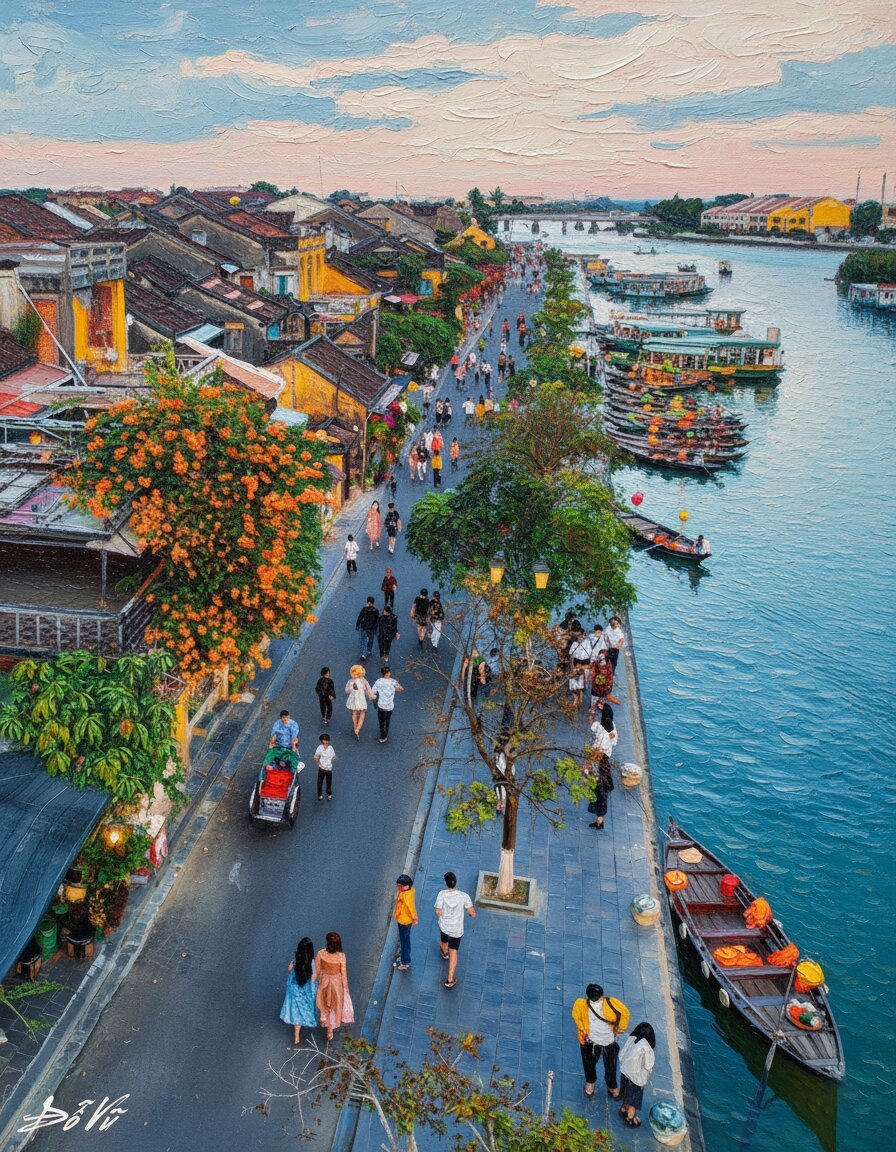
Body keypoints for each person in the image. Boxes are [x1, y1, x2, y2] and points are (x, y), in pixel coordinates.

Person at [571, 983, 628, 1098]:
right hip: (598, 1042)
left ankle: (591, 1083)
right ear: (602, 995)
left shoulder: (581, 1004)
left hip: (599, 1042)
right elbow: (625, 1013)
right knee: (610, 1066)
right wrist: (621, 1027)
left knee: (590, 1064)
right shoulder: (611, 1002)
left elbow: (576, 1018)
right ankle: (611, 1086)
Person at [435, 871, 476, 989]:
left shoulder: (441, 894)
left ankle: (444, 952)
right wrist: (469, 914)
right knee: (454, 951)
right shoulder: (464, 896)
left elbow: (438, 912)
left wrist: (444, 913)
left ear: (446, 883)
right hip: (456, 930)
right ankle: (450, 978)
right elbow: (472, 913)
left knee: (443, 939)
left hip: (444, 925)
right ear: (455, 882)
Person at [314, 932, 354, 1042]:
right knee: (333, 1006)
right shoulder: (341, 957)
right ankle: (330, 1030)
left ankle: (324, 1020)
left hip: (325, 982)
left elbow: (316, 972)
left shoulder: (321, 954)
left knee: (325, 1003)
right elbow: (344, 975)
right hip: (336, 984)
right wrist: (346, 990)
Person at [280, 936, 318, 1045]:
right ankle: (304, 1022)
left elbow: (289, 969)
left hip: (295, 987)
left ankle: (296, 1035)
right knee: (304, 1008)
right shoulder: (312, 963)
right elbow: (314, 977)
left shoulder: (296, 959)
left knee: (295, 1009)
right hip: (306, 990)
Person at [617, 1022, 656, 1127]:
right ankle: (630, 1117)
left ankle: (623, 1108)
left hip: (625, 1072)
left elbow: (621, 1055)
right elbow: (648, 1065)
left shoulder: (632, 1038)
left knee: (626, 1093)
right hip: (636, 1079)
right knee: (634, 1100)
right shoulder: (647, 1047)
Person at [370, 665, 403, 743]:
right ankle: (384, 736)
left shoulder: (378, 681)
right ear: (388, 673)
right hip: (390, 706)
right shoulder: (393, 681)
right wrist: (394, 688)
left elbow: (372, 692)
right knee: (387, 721)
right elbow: (401, 689)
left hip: (381, 705)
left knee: (381, 721)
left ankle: (382, 735)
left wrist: (374, 696)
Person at [393, 874, 418, 970]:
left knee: (404, 942)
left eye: (400, 886)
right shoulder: (407, 893)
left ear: (406, 886)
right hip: (403, 920)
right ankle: (404, 958)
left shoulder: (406, 897)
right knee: (405, 941)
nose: (398, 887)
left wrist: (415, 919)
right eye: (398, 885)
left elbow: (411, 909)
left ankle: (405, 962)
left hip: (404, 922)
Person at [345, 665, 372, 741]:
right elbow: (369, 691)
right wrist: (372, 697)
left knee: (354, 713)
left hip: (353, 700)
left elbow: (346, 691)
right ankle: (357, 729)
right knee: (362, 713)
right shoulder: (363, 681)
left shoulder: (350, 681)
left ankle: (355, 726)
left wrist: (352, 690)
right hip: (361, 700)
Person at [568, 631, 591, 709]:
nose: (580, 638)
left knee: (581, 685)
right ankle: (575, 698)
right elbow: (571, 656)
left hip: (584, 664)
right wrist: (572, 666)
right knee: (572, 683)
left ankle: (580, 700)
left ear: (584, 636)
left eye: (581, 636)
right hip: (576, 664)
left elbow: (589, 655)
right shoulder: (574, 644)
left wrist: (586, 667)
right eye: (579, 636)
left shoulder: (587, 643)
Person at [589, 648, 614, 716]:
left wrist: (609, 683)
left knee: (602, 695)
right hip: (597, 683)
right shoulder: (596, 662)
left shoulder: (608, 663)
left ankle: (600, 704)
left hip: (604, 683)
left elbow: (609, 674)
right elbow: (593, 671)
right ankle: (593, 707)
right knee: (594, 696)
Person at [355, 596, 380, 661]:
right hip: (372, 628)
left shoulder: (364, 609)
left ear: (368, 602)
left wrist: (357, 625)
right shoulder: (376, 610)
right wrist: (376, 628)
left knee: (363, 640)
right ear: (373, 602)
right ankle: (369, 650)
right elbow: (377, 620)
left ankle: (364, 654)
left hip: (364, 626)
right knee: (371, 639)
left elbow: (360, 616)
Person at [314, 733, 336, 800]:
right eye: (324, 741)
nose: (326, 742)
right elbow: (316, 756)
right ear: (322, 741)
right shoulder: (320, 748)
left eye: (327, 741)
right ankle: (320, 795)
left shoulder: (331, 748)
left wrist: (333, 761)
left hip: (329, 769)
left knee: (329, 782)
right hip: (322, 768)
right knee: (320, 782)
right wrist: (318, 764)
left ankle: (329, 794)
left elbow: (333, 757)